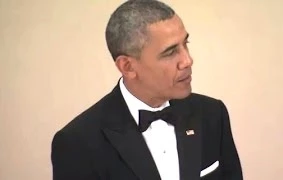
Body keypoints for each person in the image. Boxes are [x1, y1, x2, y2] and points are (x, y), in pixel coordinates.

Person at [51, 0, 243, 179]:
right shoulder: (77, 143)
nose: (187, 60)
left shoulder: (212, 114)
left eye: (185, 44)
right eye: (170, 52)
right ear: (128, 67)